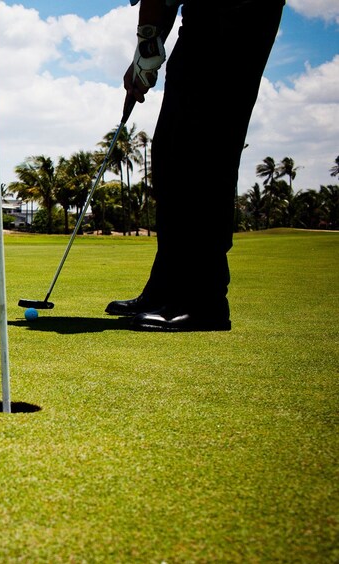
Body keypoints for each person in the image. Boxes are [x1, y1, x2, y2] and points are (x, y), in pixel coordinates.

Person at [106, 0, 285, 331]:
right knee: (168, 153)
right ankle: (166, 290)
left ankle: (204, 300)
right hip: (203, 13)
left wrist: (146, 48)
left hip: (240, 12)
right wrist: (146, 51)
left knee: (201, 154)